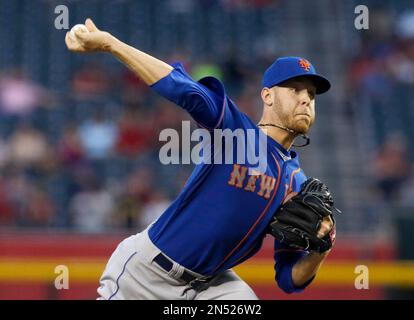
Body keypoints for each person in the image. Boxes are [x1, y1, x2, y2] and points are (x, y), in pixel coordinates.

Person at [65, 18, 336, 300]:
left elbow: (288, 278)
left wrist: (321, 250)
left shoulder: (297, 183)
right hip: (146, 274)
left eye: (312, 94)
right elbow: (182, 88)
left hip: (207, 288)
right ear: (267, 96)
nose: (306, 99)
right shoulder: (234, 131)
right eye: (295, 89)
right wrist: (112, 44)